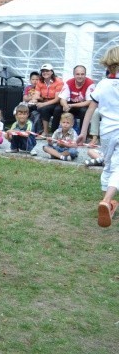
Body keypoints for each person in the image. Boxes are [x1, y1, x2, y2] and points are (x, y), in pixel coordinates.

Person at [77, 46, 119, 227]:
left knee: (109, 164)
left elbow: (91, 109)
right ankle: (107, 199)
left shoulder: (102, 84)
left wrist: (83, 132)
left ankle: (106, 202)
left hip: (107, 131)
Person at [59, 65, 94, 132]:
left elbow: (89, 101)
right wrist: (65, 105)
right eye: (77, 74)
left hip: (83, 105)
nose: (80, 76)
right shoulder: (69, 82)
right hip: (71, 104)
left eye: (82, 74)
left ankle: (82, 134)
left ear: (85, 75)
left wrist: (71, 105)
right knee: (58, 109)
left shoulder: (90, 83)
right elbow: (62, 99)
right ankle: (56, 133)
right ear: (74, 75)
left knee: (84, 111)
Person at [35, 63, 64, 137]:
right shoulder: (39, 81)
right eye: (43, 71)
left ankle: (50, 131)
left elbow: (57, 99)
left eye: (47, 71)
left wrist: (43, 104)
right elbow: (37, 94)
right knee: (33, 107)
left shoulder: (58, 81)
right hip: (44, 101)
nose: (45, 73)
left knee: (48, 109)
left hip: (56, 102)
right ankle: (38, 130)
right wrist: (34, 99)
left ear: (52, 72)